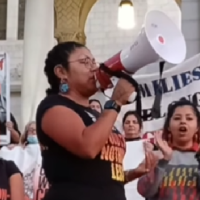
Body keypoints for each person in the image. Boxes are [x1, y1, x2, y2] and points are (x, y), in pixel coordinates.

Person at [36, 41, 157, 200]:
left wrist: (132, 173)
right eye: (85, 62)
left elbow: (100, 176)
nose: (94, 67)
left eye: (94, 61)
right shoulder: (53, 106)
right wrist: (116, 102)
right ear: (61, 72)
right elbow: (88, 147)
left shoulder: (97, 114)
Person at [137, 100, 200, 200]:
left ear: (197, 127)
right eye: (177, 118)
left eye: (189, 118)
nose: (183, 121)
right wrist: (163, 162)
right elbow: (145, 191)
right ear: (168, 126)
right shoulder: (156, 156)